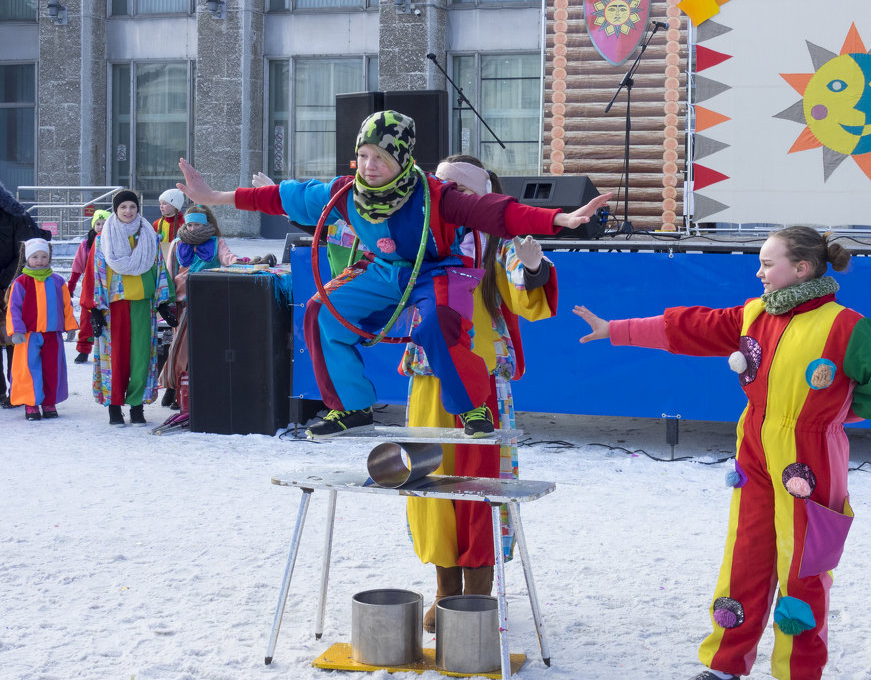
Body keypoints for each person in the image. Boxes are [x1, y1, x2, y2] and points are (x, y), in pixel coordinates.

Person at [573, 226, 871, 680]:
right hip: (754, 453)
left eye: (768, 263)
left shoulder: (847, 327)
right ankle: (725, 668)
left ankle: (796, 676)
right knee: (744, 556)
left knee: (805, 566)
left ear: (802, 269)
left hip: (810, 460)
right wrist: (616, 329)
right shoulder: (755, 314)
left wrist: (830, 415)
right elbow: (690, 326)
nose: (759, 271)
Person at [176, 109, 610, 439]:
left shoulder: (437, 197)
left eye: (380, 157)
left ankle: (473, 405)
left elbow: (496, 211)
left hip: (435, 271)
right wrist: (215, 195)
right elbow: (282, 195)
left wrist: (559, 220)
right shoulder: (344, 194)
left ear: (402, 159)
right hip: (385, 272)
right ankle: (351, 406)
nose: (369, 165)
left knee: (438, 322)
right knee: (320, 312)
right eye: (364, 155)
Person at [401, 155, 559, 631]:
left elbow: (524, 289)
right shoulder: (419, 238)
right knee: (427, 481)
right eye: (440, 187)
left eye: (457, 191)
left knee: (482, 488)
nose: (445, 198)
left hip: (483, 381)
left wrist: (534, 269)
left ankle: (478, 596)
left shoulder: (498, 244)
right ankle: (446, 589)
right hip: (430, 377)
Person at [91, 189, 171, 426]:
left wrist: (164, 302)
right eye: (123, 207)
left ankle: (137, 406)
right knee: (114, 358)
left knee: (141, 358)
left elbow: (159, 268)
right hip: (113, 306)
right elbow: (94, 274)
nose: (128, 211)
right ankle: (114, 406)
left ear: (138, 210)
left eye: (132, 207)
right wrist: (94, 309)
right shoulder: (102, 239)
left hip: (142, 305)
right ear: (115, 210)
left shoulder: (150, 236)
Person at [159, 204, 240, 410]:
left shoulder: (216, 242)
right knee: (179, 346)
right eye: (190, 224)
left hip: (207, 299)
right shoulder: (177, 243)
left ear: (206, 224)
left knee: (202, 348)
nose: (193, 228)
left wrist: (244, 262)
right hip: (182, 301)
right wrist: (165, 301)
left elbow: (229, 259)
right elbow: (169, 272)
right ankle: (174, 387)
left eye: (197, 224)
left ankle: (189, 389)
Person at [4, 238, 77, 419]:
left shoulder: (58, 281)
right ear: (27, 258)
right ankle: (31, 403)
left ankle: (49, 402)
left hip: (52, 334)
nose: (40, 261)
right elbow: (14, 308)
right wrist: (17, 331)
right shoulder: (21, 282)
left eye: (43, 256)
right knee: (30, 369)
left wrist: (70, 326)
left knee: (52, 369)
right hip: (29, 335)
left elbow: (66, 306)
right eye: (35, 257)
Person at [0, 179, 51, 408]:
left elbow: (27, 251)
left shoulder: (17, 215)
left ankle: (17, 390)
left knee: (16, 341)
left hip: (14, 286)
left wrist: (6, 281)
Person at [69, 209, 110, 363]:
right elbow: (77, 266)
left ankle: (109, 349)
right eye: (98, 224)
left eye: (104, 223)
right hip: (91, 285)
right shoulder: (86, 244)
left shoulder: (113, 241)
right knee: (87, 319)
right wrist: (71, 286)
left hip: (107, 284)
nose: (100, 226)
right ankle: (84, 349)